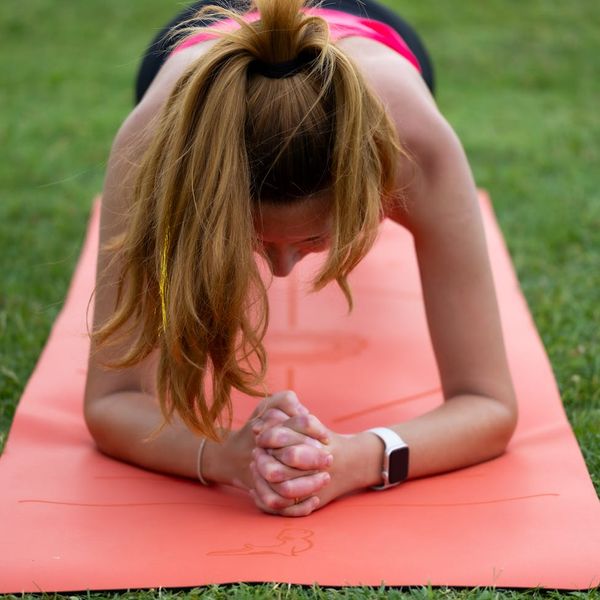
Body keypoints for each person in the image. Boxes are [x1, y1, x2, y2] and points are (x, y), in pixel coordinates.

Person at [84, 0, 518, 517]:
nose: (282, 270)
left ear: (368, 192)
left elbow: (490, 404)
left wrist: (358, 458)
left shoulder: (414, 148)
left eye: (312, 239)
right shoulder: (153, 146)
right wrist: (227, 458)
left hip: (372, 35)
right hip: (198, 43)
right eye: (256, 238)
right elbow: (110, 402)